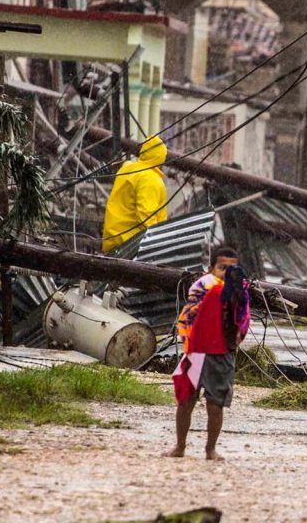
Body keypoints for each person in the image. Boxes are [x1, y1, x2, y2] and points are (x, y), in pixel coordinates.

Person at [166, 247, 250, 461]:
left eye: (232, 269)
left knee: (215, 404)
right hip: (196, 350)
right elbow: (188, 316)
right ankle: (180, 446)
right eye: (222, 268)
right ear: (211, 268)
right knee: (186, 400)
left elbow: (242, 320)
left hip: (222, 353)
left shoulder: (239, 293)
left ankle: (210, 449)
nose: (227, 273)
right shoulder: (201, 288)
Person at [102, 135, 169, 252]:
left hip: (114, 239)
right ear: (162, 157)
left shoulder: (128, 169)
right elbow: (146, 215)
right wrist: (159, 243)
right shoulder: (149, 178)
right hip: (132, 244)